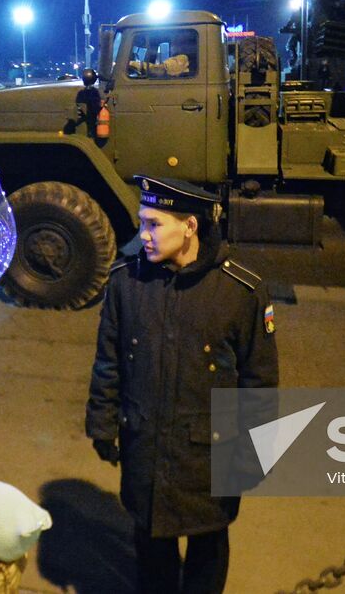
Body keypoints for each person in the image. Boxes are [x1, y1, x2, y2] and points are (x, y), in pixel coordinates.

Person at [87, 176, 279, 594]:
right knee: (151, 550)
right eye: (142, 222)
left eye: (154, 224)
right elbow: (109, 362)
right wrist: (102, 425)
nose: (143, 235)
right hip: (145, 446)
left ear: (190, 226)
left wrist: (255, 456)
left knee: (207, 551)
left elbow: (260, 384)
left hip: (209, 459)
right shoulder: (126, 282)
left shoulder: (240, 292)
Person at [74, 69, 102, 137]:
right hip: (92, 120)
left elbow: (79, 104)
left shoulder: (81, 93)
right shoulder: (95, 92)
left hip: (86, 120)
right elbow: (96, 107)